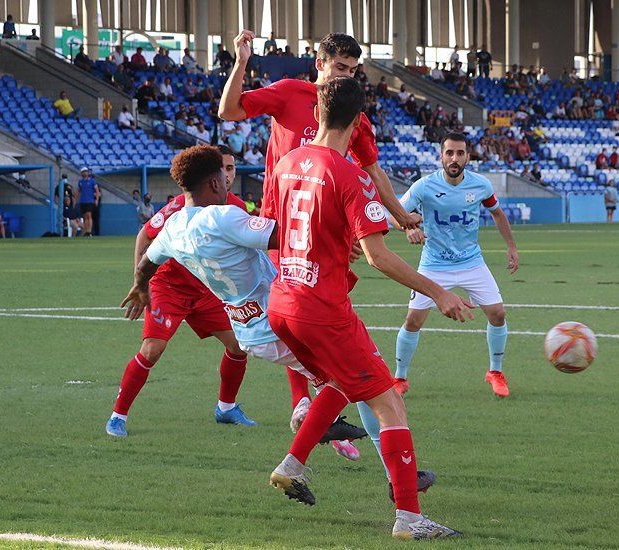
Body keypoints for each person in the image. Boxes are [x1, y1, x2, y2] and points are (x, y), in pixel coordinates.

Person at [265, 77, 466, 540]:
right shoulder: (350, 176)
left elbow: (278, 229)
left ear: (316, 113)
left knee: (340, 381)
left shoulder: (288, 161)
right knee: (390, 403)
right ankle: (410, 520)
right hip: (323, 310)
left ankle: (292, 465)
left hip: (283, 301)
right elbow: (379, 255)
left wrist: (334, 241)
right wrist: (438, 292)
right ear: (357, 124)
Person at [218, 30, 422, 421]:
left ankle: (321, 400)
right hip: (284, 226)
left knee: (326, 314)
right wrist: (242, 63)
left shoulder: (351, 115)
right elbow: (229, 111)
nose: (345, 75)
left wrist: (400, 215)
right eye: (339, 67)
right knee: (298, 312)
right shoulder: (290, 92)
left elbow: (373, 170)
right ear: (320, 64)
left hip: (330, 231)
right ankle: (308, 403)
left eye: (352, 70)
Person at [120, 145, 373, 459]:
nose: (228, 183)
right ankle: (312, 444)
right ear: (214, 183)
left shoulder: (173, 228)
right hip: (278, 320)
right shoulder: (223, 217)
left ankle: (323, 428)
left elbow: (147, 260)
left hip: (248, 331)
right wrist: (343, 231)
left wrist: (139, 285)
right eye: (223, 178)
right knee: (358, 375)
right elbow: (286, 235)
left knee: (333, 377)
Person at [105, 148, 259, 438]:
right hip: (168, 286)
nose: (228, 175)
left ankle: (226, 408)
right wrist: (139, 284)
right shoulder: (179, 207)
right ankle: (118, 416)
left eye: (232, 168)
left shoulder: (235, 206)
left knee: (239, 346)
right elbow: (145, 235)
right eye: (222, 169)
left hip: (206, 289)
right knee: (153, 349)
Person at [393, 132, 518, 398]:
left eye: (460, 153)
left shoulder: (481, 185)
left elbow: (497, 213)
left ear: (468, 157)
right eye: (449, 153)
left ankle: (495, 372)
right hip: (434, 263)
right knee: (413, 320)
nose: (454, 158)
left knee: (498, 314)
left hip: (471, 261)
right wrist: (408, 228)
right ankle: (400, 378)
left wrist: (511, 246)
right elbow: (397, 215)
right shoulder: (424, 186)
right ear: (441, 156)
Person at [77, 168, 99, 236]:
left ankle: (89, 231)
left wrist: (96, 199)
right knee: (84, 216)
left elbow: (97, 191)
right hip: (82, 201)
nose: (85, 173)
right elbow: (79, 191)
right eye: (83, 172)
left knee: (89, 215)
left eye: (86, 172)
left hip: (89, 200)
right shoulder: (80, 182)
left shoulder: (92, 181)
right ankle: (86, 231)